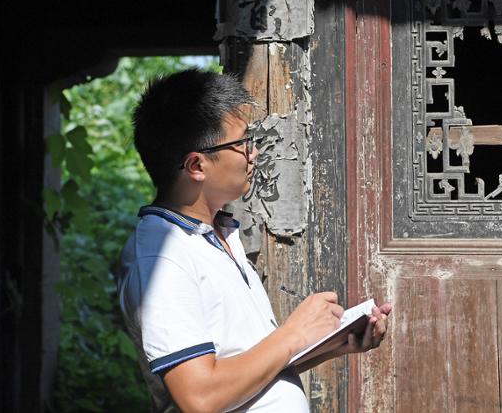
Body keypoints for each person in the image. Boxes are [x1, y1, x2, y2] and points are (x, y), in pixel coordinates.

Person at [117, 70, 392, 413]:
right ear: (196, 165)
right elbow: (200, 397)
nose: (254, 152)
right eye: (242, 143)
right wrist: (293, 333)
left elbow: (247, 369)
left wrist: (334, 341)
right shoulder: (162, 256)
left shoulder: (216, 236)